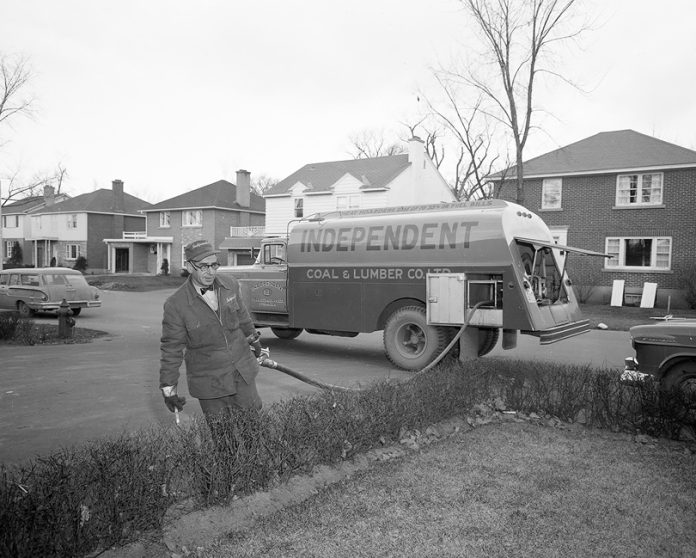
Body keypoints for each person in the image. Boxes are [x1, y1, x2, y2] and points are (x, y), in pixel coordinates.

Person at [159, 239, 262, 430]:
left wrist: (255, 343)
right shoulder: (176, 305)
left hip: (242, 371)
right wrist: (168, 387)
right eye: (203, 266)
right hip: (210, 381)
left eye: (214, 265)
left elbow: (243, 318)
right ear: (189, 267)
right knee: (223, 438)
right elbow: (171, 349)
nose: (211, 272)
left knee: (253, 430)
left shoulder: (230, 284)